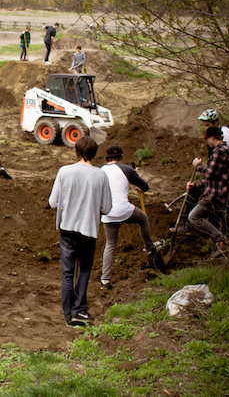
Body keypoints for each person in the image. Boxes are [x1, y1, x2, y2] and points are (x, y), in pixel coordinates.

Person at [49, 136, 112, 327]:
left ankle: (68, 315)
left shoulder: (64, 172)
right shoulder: (100, 175)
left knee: (67, 273)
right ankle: (79, 310)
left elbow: (53, 202)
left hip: (67, 228)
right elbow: (107, 208)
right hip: (88, 229)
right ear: (95, 153)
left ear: (76, 150)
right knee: (84, 270)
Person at [99, 145, 164, 290]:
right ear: (121, 157)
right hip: (123, 210)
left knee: (110, 245)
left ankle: (105, 280)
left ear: (107, 158)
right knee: (143, 219)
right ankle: (149, 247)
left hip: (107, 212)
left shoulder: (101, 170)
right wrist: (135, 176)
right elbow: (144, 186)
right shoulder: (126, 169)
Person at [187, 126, 229, 254]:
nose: (206, 142)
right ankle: (218, 253)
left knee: (194, 217)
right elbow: (216, 177)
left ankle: (223, 240)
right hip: (222, 193)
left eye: (207, 139)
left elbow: (209, 174)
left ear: (212, 138)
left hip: (216, 195)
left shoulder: (219, 151)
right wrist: (196, 185)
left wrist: (197, 166)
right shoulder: (226, 150)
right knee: (213, 222)